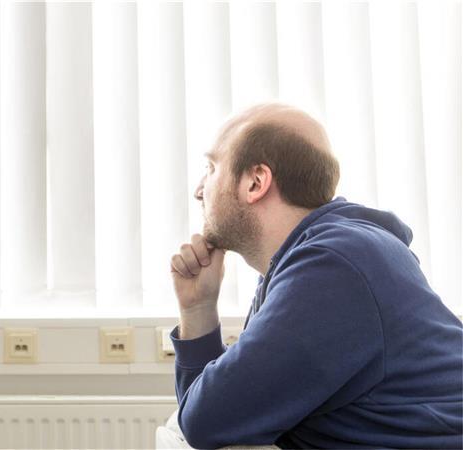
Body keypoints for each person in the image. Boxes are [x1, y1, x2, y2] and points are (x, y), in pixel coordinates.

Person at [169, 103, 463, 448]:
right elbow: (216, 417)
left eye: (211, 168)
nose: (199, 189)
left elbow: (206, 422)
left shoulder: (335, 266)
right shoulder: (310, 261)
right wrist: (198, 308)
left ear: (256, 182)